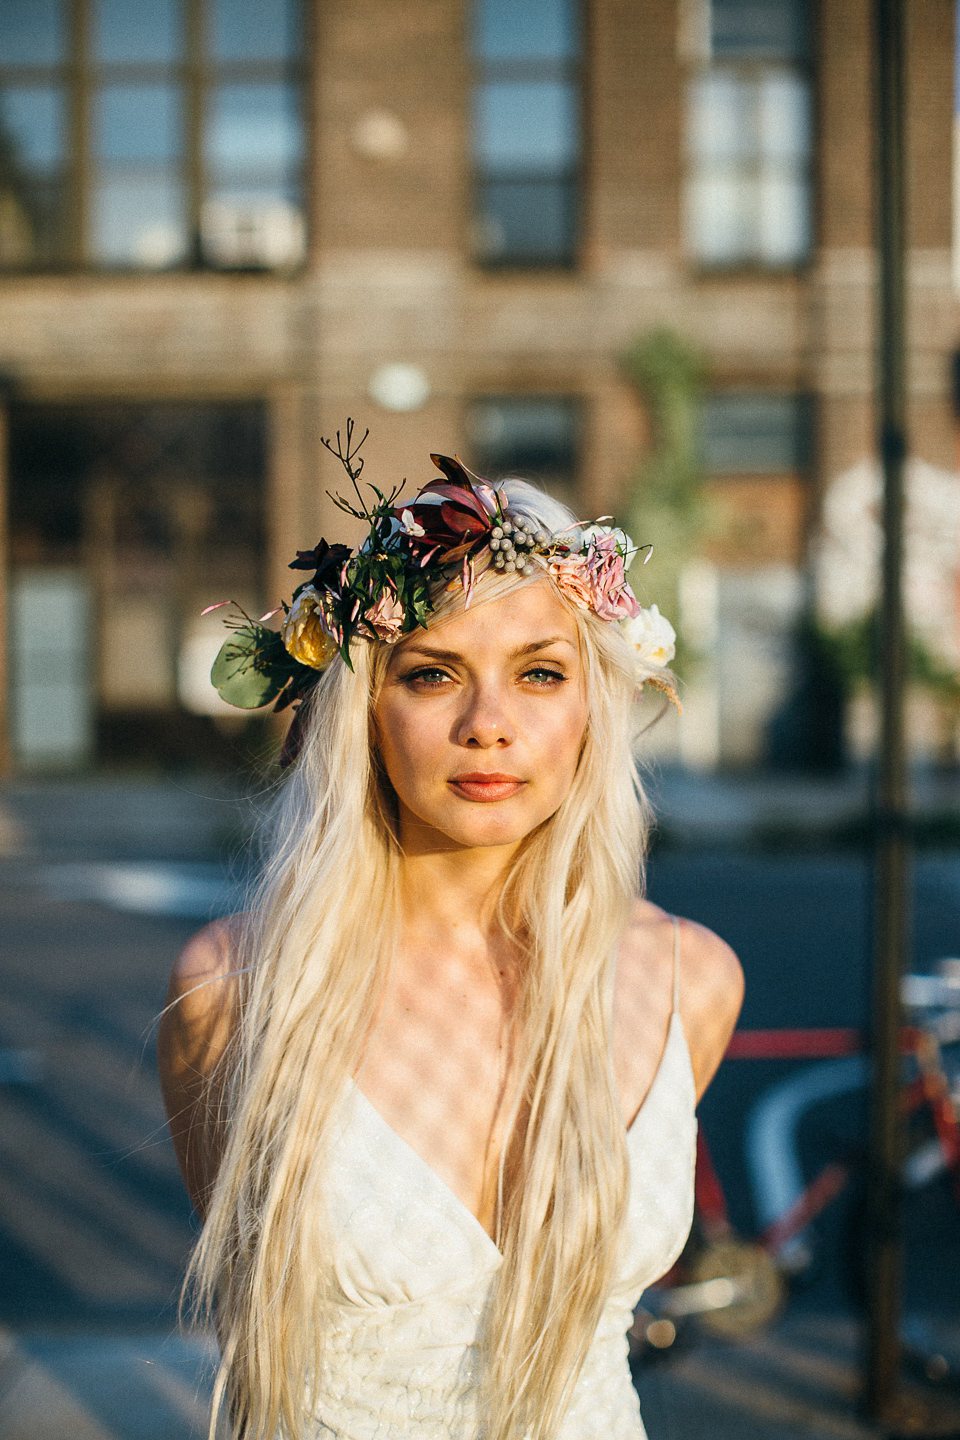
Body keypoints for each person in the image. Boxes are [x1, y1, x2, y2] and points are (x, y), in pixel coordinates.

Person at [158, 436, 743, 1440]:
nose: (489, 723)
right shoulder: (240, 989)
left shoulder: (689, 976)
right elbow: (248, 1319)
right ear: (365, 709)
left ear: (596, 704)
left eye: (540, 674)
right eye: (432, 675)